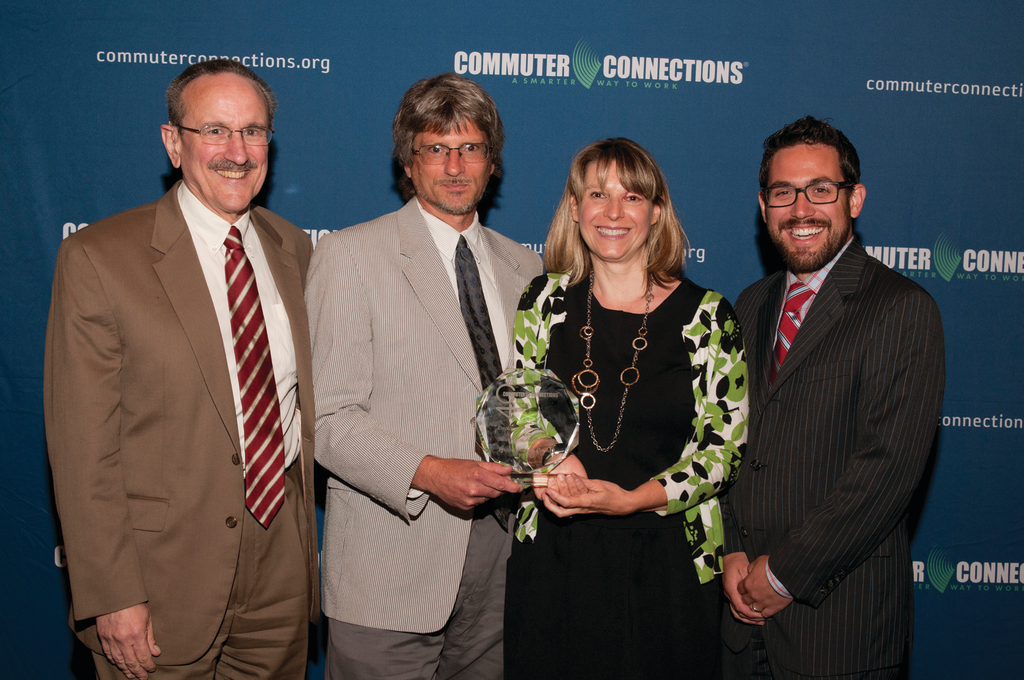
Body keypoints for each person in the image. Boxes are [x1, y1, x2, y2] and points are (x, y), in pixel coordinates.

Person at [43, 59, 318, 680]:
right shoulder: (99, 257)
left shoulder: (293, 248)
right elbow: (82, 447)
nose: (237, 151)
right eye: (214, 131)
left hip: (279, 565)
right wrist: (111, 592)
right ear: (173, 142)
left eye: (253, 131)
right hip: (161, 576)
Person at [306, 73, 543, 679]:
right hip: (392, 561)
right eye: (437, 148)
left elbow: (531, 405)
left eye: (471, 148)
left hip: (505, 559)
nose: (455, 165)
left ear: (493, 162)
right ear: (408, 164)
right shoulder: (351, 255)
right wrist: (430, 473)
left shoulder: (528, 267)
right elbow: (328, 421)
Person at [503, 138, 749, 680]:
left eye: (632, 197)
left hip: (668, 561)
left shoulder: (707, 316)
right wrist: (548, 456)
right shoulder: (541, 301)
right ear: (574, 207)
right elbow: (516, 413)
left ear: (656, 212)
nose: (613, 213)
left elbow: (724, 449)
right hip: (555, 555)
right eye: (597, 194)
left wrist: (630, 500)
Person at [720, 117, 946, 679]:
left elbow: (886, 473)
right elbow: (722, 438)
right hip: (740, 626)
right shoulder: (749, 304)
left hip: (840, 630)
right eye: (783, 192)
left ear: (855, 199)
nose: (801, 209)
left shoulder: (901, 308)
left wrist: (784, 575)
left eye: (821, 189)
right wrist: (727, 550)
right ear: (763, 204)